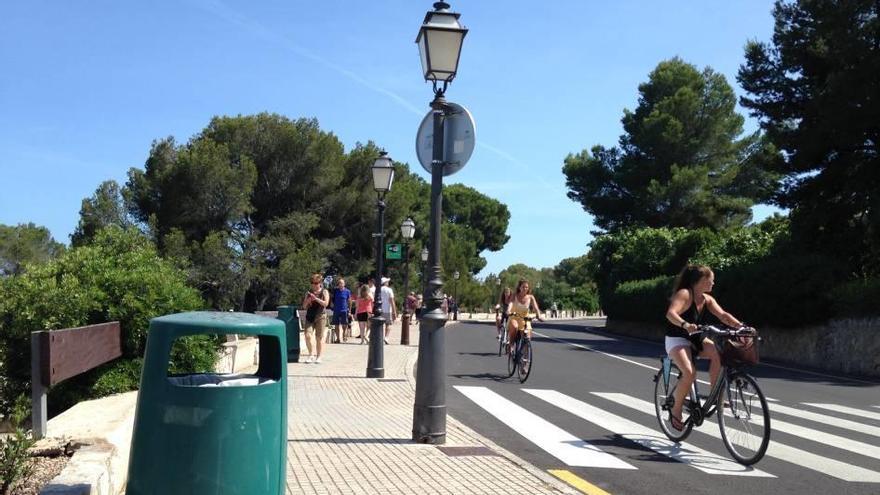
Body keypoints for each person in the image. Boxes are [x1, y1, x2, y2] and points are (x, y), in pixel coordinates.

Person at [664, 264, 745, 431]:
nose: (713, 283)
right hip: (677, 338)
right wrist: (684, 324)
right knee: (689, 373)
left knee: (718, 353)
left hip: (696, 338)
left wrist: (740, 327)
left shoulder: (706, 299)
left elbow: (723, 315)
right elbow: (671, 313)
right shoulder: (685, 294)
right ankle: (676, 408)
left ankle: (716, 396)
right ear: (699, 281)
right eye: (710, 280)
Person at [506, 280, 543, 352]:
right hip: (514, 317)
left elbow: (536, 308)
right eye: (523, 287)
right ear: (519, 287)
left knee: (527, 337)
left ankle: (525, 358)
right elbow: (510, 303)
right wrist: (508, 310)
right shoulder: (515, 295)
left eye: (527, 287)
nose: (525, 288)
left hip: (525, 319)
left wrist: (539, 316)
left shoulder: (531, 297)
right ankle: (511, 345)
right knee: (515, 326)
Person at [301, 273, 330, 363]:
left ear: (320, 283)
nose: (314, 285)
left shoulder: (324, 291)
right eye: (312, 283)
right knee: (307, 336)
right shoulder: (308, 292)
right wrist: (308, 300)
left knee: (319, 337)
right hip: (310, 316)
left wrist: (316, 299)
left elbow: (326, 304)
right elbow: (304, 306)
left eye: (316, 283)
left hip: (320, 316)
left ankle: (319, 356)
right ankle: (310, 355)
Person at [331, 278, 352, 343]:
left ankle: (344, 335)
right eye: (339, 283)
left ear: (344, 284)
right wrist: (332, 305)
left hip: (344, 310)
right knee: (336, 325)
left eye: (342, 283)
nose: (340, 284)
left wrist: (350, 311)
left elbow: (349, 301)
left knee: (344, 324)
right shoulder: (335, 291)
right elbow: (332, 299)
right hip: (336, 310)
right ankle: (338, 339)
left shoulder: (347, 291)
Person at [379, 277, 397, 344]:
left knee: (380, 324)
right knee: (388, 324)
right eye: (387, 281)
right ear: (385, 282)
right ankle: (386, 337)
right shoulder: (389, 290)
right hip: (387, 310)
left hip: (380, 310)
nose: (388, 282)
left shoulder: (378, 289)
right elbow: (391, 301)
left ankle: (380, 337)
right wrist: (394, 311)